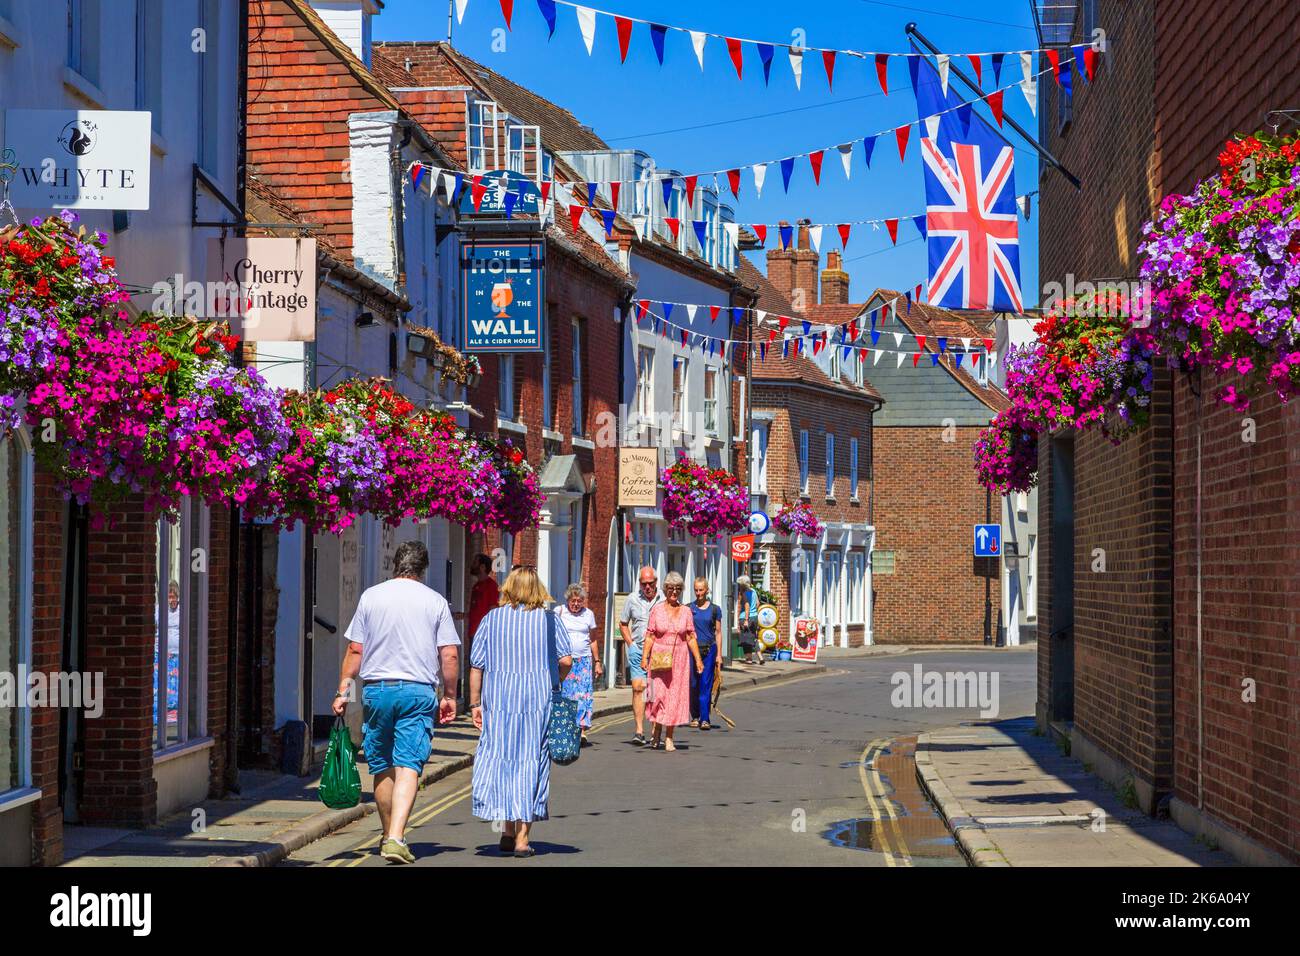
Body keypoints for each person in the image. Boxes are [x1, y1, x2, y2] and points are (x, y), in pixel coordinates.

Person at [333, 541, 460, 865]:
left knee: (382, 764)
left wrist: (343, 692)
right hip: (417, 692)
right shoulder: (435, 602)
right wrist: (449, 696)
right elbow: (449, 654)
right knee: (408, 764)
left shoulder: (371, 597)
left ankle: (389, 833)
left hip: (377, 691)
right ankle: (395, 837)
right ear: (423, 568)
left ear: (395, 565)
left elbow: (356, 651)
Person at [469, 566, 572, 858]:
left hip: (498, 703)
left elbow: (477, 664)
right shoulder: (549, 620)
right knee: (531, 761)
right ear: (537, 588)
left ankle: (505, 830)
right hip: (536, 703)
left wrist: (475, 703)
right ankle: (522, 839)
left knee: (502, 759)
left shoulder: (491, 619)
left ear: (509, 588)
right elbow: (565, 661)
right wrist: (553, 680)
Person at [642, 571, 704, 752]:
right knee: (657, 697)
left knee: (674, 699)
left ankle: (669, 737)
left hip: (680, 660)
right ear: (665, 589)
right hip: (659, 658)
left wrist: (698, 660)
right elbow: (650, 635)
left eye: (678, 589)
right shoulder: (657, 610)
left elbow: (691, 637)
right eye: (671, 588)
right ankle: (657, 729)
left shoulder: (686, 611)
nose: (674, 592)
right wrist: (645, 657)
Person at [619, 566, 662, 746]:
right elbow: (623, 624)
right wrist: (631, 644)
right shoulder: (632, 599)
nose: (647, 587)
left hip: (658, 650)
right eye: (643, 584)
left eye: (650, 584)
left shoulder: (664, 599)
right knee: (638, 688)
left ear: (656, 582)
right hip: (638, 649)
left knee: (654, 690)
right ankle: (638, 731)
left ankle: (655, 731)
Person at [555, 583, 601, 746]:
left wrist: (597, 662)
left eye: (579, 601)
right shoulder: (558, 612)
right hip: (564, 661)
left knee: (583, 696)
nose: (576, 604)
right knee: (566, 696)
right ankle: (568, 728)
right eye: (573, 601)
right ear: (568, 600)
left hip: (583, 662)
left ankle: (581, 731)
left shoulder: (588, 615)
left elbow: (593, 640)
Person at [454, 553, 499, 707]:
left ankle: (484, 704)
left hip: (484, 635)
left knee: (482, 668)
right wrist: (465, 615)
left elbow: (493, 611)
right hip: (473, 633)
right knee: (474, 666)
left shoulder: (491, 586)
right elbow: (477, 610)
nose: (471, 565)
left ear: (482, 566)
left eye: (475, 562)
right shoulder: (476, 586)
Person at [687, 577, 722, 730]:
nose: (698, 593)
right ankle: (694, 715)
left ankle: (705, 718)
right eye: (696, 590)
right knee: (693, 684)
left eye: (701, 590)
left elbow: (719, 633)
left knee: (705, 684)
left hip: (709, 650)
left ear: (707, 590)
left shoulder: (715, 609)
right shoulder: (688, 608)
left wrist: (719, 655)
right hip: (692, 650)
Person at [735, 574, 761, 664]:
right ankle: (760, 657)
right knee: (753, 637)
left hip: (745, 617)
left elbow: (746, 605)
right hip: (754, 617)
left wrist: (746, 619)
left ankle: (749, 659)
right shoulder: (753, 590)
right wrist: (754, 613)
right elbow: (758, 603)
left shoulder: (743, 592)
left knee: (745, 639)